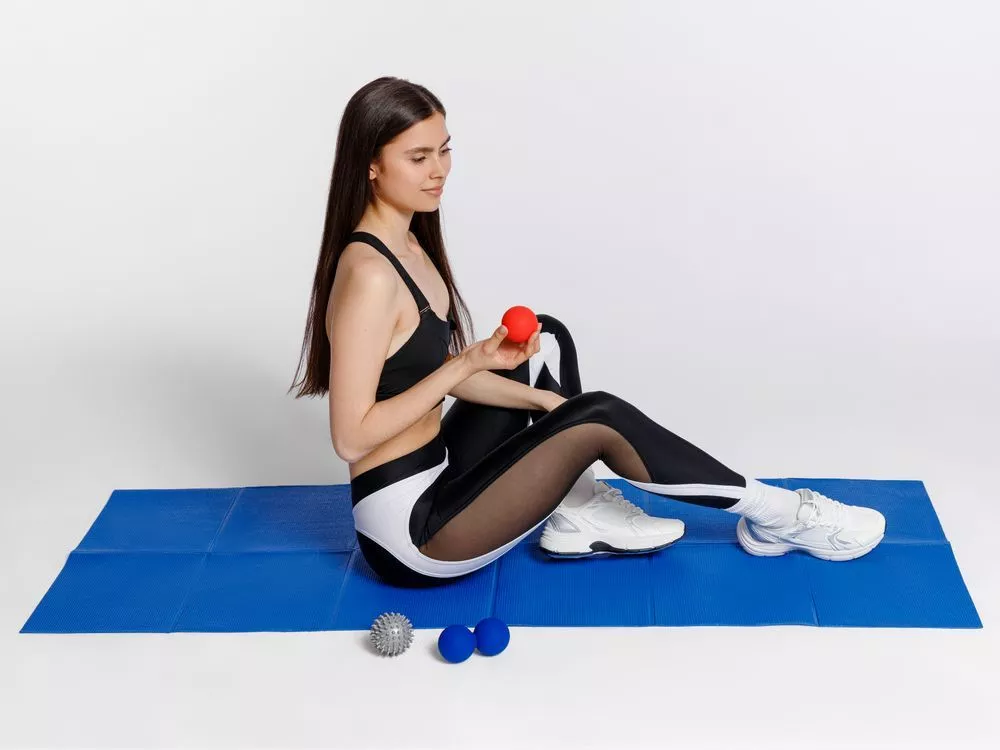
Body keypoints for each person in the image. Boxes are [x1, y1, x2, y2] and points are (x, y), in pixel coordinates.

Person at [289, 76, 886, 588]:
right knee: (596, 415)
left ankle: (578, 510)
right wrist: (466, 365)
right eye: (418, 158)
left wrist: (539, 402)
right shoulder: (369, 274)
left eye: (445, 151)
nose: (439, 170)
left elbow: (426, 376)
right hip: (412, 537)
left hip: (441, 475)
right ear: (371, 164)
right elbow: (351, 437)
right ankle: (779, 513)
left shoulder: (411, 245)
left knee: (534, 348)